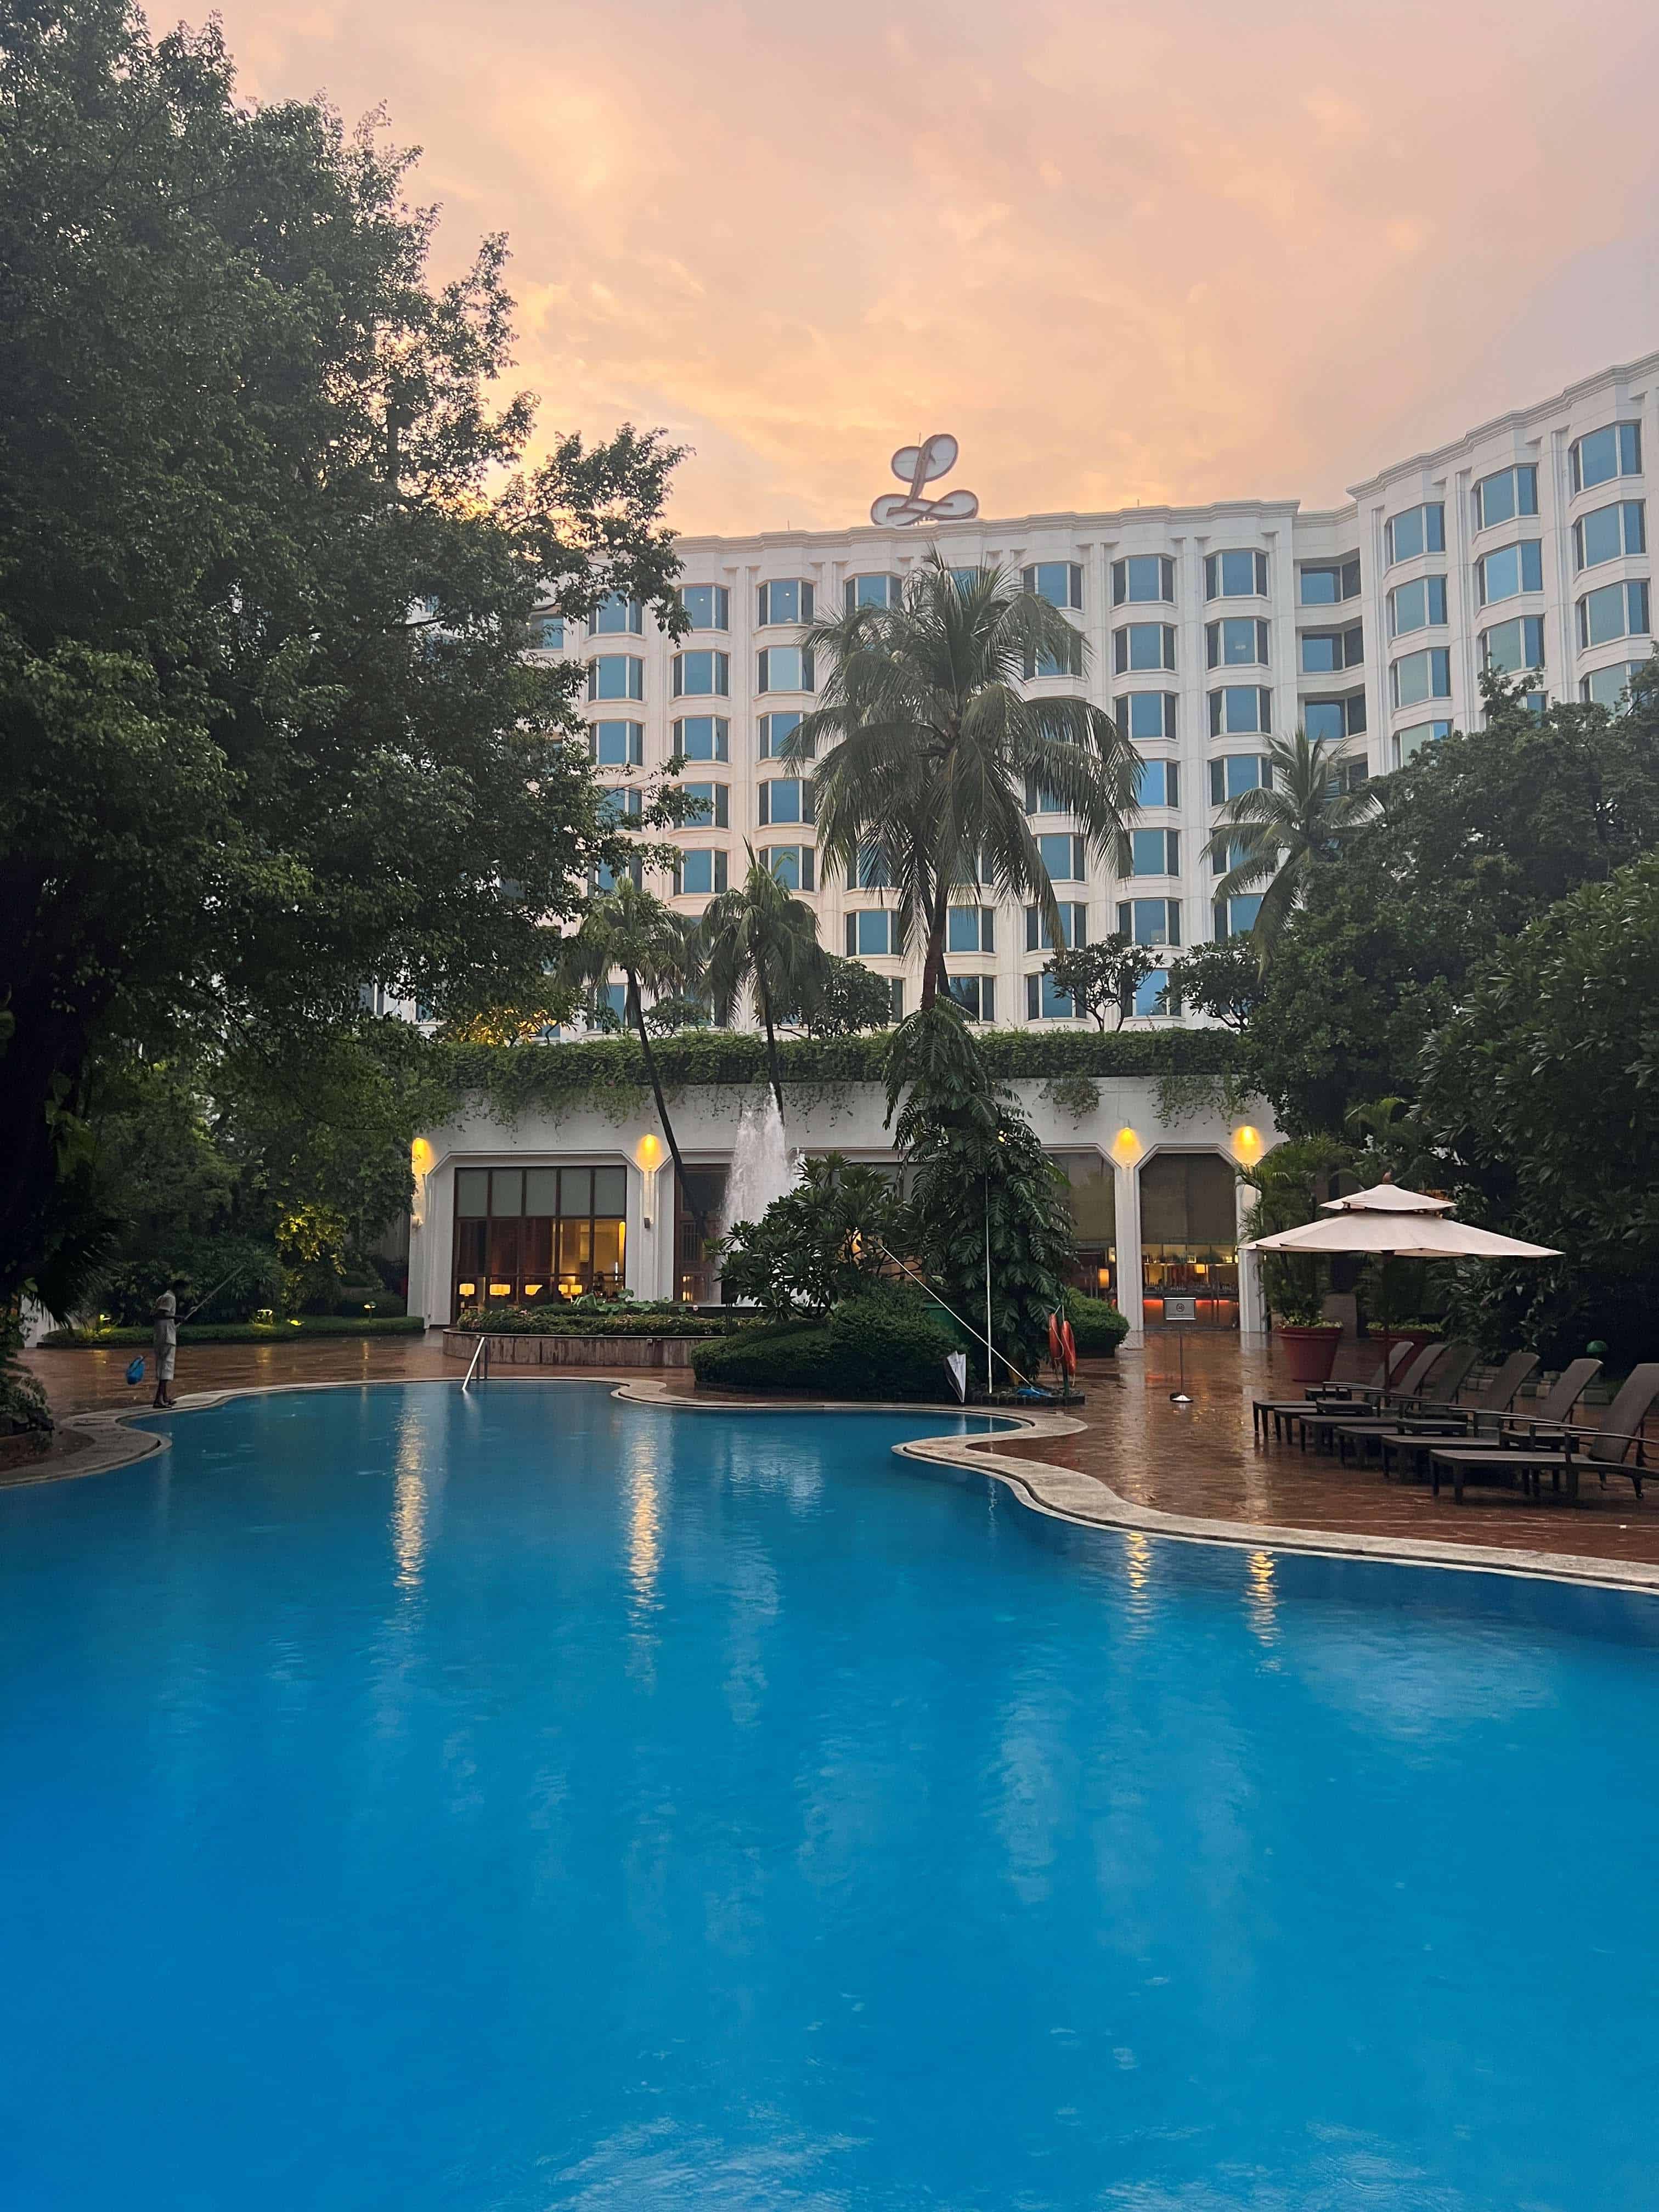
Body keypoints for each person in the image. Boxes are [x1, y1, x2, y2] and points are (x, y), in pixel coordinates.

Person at [150, 1288, 179, 1409]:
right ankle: (159, 1399)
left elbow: (158, 1314)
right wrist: (178, 1316)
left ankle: (164, 1397)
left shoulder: (161, 1298)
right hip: (166, 1338)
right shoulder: (170, 1298)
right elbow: (162, 1314)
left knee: (164, 1367)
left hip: (162, 1337)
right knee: (165, 1369)